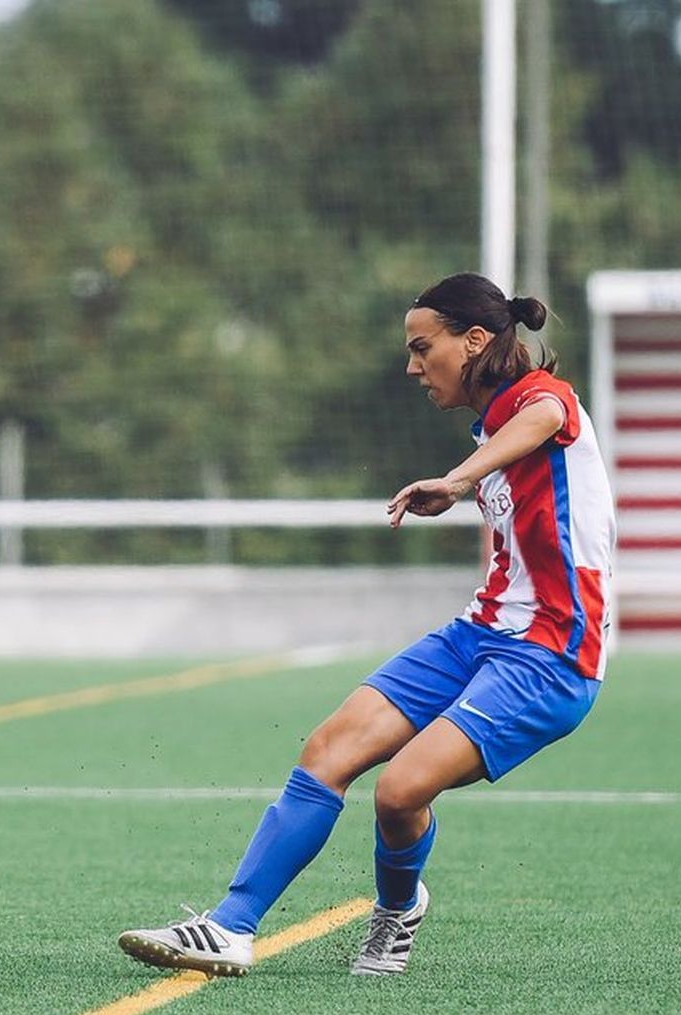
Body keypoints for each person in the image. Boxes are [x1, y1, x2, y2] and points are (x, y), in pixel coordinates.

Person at [118, 272, 614, 977]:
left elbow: (542, 421)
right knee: (328, 749)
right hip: (479, 634)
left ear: (475, 341)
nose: (413, 367)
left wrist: (462, 478)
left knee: (400, 791)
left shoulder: (541, 400)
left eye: (422, 348)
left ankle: (396, 913)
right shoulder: (492, 425)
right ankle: (230, 927)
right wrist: (468, 477)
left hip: (551, 656)